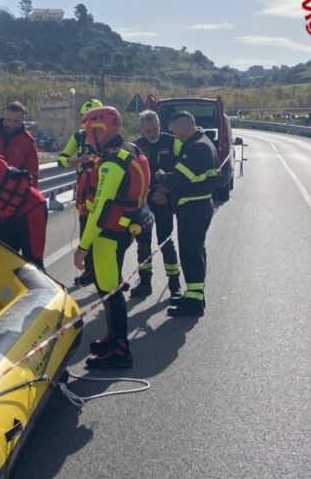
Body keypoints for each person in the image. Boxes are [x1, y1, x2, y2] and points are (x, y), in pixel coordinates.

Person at [72, 106, 151, 369]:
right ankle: (113, 337)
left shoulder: (112, 163)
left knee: (109, 290)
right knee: (110, 287)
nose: (88, 136)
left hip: (108, 234)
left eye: (90, 131)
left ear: (100, 130)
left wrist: (83, 247)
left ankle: (120, 350)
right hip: (122, 229)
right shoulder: (130, 150)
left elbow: (100, 208)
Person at [154, 111, 219, 317]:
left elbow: (179, 178)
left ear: (183, 127)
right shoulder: (203, 142)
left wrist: (163, 177)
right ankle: (195, 295)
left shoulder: (196, 147)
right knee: (196, 251)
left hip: (193, 207)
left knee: (190, 254)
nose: (176, 135)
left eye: (175, 131)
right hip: (198, 206)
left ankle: (193, 303)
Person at [130, 110, 182, 300]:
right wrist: (151, 193)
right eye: (148, 131)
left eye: (155, 129)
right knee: (143, 244)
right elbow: (133, 179)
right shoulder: (136, 147)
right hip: (145, 203)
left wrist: (167, 190)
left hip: (165, 201)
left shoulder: (173, 141)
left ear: (160, 126)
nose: (152, 134)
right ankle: (145, 283)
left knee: (166, 242)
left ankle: (175, 286)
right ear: (141, 130)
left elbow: (181, 170)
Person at [58, 99, 104, 287]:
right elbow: (62, 160)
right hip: (85, 190)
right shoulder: (78, 137)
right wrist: (76, 161)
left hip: (106, 185)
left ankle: (112, 275)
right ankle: (89, 271)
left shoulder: (110, 136)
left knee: (108, 231)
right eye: (86, 119)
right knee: (86, 230)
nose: (90, 123)